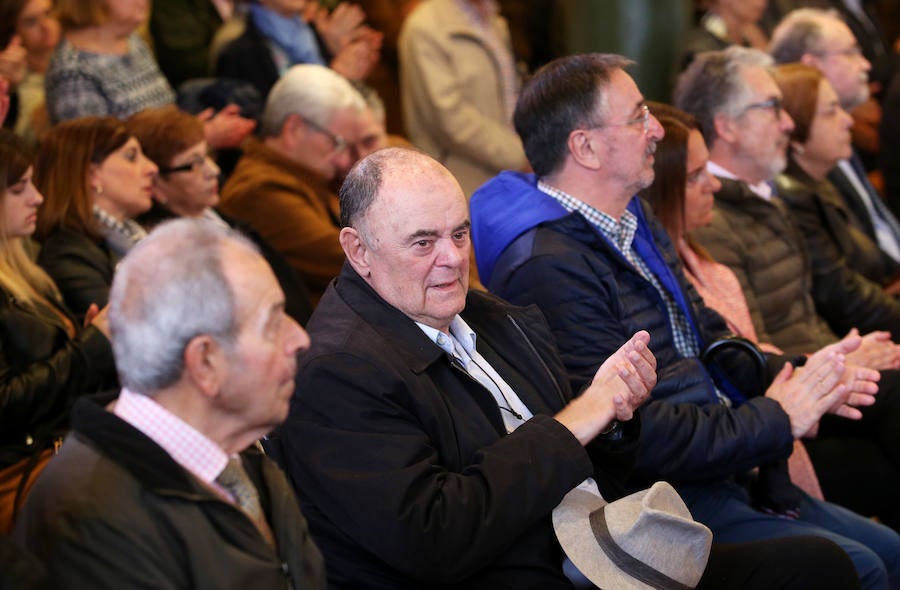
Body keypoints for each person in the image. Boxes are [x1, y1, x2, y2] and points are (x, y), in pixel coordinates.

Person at [469, 52, 900, 588]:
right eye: (637, 116)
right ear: (585, 147)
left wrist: (806, 374)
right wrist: (775, 417)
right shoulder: (548, 265)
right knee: (859, 567)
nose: (655, 129)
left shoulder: (629, 214)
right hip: (658, 497)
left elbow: (710, 336)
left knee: (887, 548)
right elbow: (627, 429)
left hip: (720, 462)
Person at [13, 218, 325, 589]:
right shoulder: (95, 519)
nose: (300, 339)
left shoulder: (241, 455)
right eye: (273, 323)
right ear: (205, 362)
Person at [676, 46, 900, 534]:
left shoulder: (768, 196)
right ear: (728, 126)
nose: (786, 124)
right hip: (786, 411)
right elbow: (745, 352)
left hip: (815, 376)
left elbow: (825, 298)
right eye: (771, 108)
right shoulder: (711, 221)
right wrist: (842, 364)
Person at [0, 128, 117, 535]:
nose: (38, 197)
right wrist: (91, 347)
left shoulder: (25, 274)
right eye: (19, 188)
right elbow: (5, 403)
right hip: (23, 472)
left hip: (61, 451)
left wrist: (85, 345)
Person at [126, 105, 314, 325]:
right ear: (155, 183)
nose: (213, 170)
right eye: (194, 163)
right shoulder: (174, 254)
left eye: (207, 156)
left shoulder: (221, 218)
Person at [219, 63, 386, 305]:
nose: (343, 159)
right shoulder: (259, 191)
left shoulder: (304, 175)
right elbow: (351, 260)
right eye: (336, 143)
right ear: (294, 129)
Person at [770, 8, 900, 266]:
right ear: (812, 66)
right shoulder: (807, 151)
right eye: (851, 52)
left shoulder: (838, 129)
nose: (866, 64)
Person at [45, 0, 254, 149]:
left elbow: (163, 115)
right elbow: (98, 153)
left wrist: (196, 127)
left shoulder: (133, 42)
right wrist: (201, 136)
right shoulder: (73, 70)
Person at [774, 63, 900, 302]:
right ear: (796, 134)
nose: (848, 121)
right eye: (831, 112)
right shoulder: (797, 199)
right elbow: (845, 298)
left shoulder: (823, 183)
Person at [398, 0, 528, 197]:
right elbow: (450, 120)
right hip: (460, 185)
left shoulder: (493, 20)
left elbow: (509, 98)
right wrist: (520, 156)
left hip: (506, 179)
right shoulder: (425, 27)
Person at [33, 116, 157, 320]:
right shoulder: (69, 255)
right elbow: (129, 328)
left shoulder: (135, 237)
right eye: (131, 156)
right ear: (92, 175)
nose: (152, 168)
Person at [215, 0, 382, 102]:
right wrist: (338, 78)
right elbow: (268, 121)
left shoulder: (312, 29)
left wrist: (335, 52)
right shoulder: (237, 48)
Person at [0, 0, 59, 147]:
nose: (46, 26)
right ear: (13, 33)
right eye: (31, 22)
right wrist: (8, 87)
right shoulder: (11, 75)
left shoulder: (78, 52)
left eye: (48, 13)